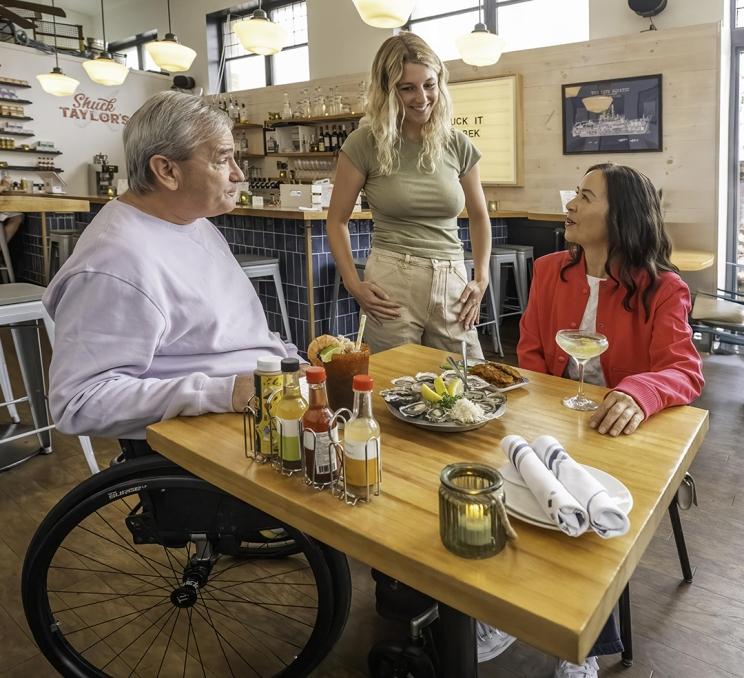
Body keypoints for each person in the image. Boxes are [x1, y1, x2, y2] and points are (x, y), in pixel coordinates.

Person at [478, 164, 704, 678]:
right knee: (504, 476)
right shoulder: (549, 270)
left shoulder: (663, 288)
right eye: (573, 194)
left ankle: (581, 649)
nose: (570, 205)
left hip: (622, 431)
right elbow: (531, 352)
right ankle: (509, 606)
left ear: (621, 215)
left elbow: (683, 370)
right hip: (553, 421)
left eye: (584, 196)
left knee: (587, 497)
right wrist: (537, 411)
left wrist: (638, 393)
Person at [43, 91, 298, 443]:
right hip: (216, 434)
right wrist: (227, 392)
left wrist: (291, 361)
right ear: (166, 170)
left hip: (268, 401)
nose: (238, 175)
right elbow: (80, 402)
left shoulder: (193, 222)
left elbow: (232, 333)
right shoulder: (114, 261)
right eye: (223, 160)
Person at [326, 32, 491, 358]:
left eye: (429, 84)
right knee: (392, 387)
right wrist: (353, 284)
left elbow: (480, 216)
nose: (422, 97)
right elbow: (337, 221)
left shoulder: (457, 143)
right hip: (392, 282)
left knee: (467, 385)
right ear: (387, 90)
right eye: (407, 88)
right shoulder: (364, 143)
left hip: (452, 279)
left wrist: (481, 277)